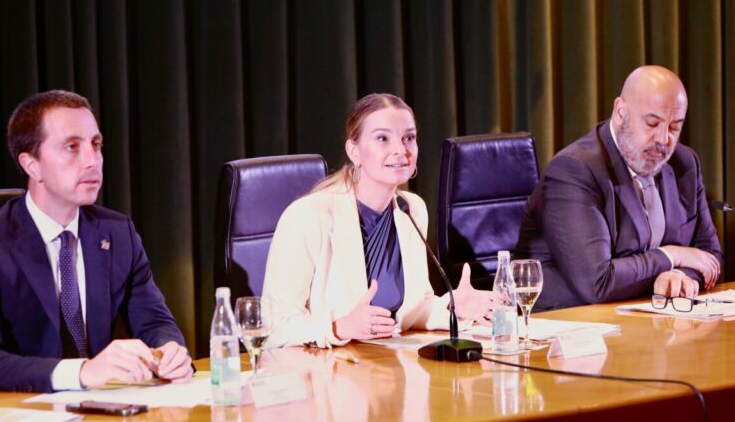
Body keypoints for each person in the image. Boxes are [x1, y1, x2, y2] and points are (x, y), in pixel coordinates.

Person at [0, 90, 193, 392]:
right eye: (72, 147)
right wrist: (81, 372)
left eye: (96, 145)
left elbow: (153, 321)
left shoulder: (117, 232)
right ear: (31, 165)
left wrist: (169, 350)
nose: (92, 161)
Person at [262, 93, 492, 348]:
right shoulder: (309, 216)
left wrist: (452, 306)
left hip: (385, 366)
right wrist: (338, 327)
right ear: (354, 150)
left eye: (409, 138)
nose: (400, 150)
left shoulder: (411, 208)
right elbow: (276, 327)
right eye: (382, 138)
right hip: (324, 373)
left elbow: (413, 309)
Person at [515, 65, 721, 310]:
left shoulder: (684, 163)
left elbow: (709, 257)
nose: (664, 139)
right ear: (621, 112)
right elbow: (597, 282)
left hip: (649, 318)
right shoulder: (574, 170)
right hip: (569, 326)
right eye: (652, 123)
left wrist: (678, 276)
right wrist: (670, 256)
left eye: (675, 127)